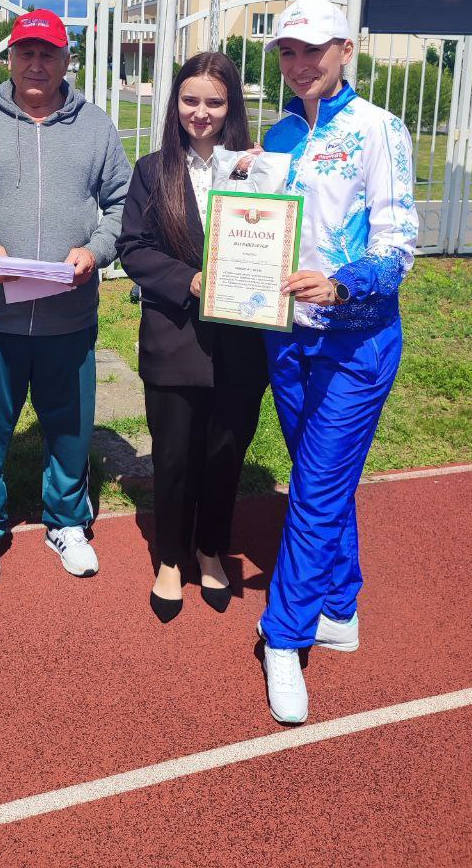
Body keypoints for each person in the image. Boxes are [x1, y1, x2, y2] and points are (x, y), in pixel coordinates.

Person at [254, 0, 418, 723]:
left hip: (356, 341)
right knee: (323, 480)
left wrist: (343, 283)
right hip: (286, 337)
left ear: (345, 51)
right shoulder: (280, 133)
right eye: (287, 52)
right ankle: (341, 607)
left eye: (312, 51)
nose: (299, 65)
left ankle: (284, 637)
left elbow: (398, 244)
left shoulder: (379, 129)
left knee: (316, 490)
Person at [0, 9, 131, 590]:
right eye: (25, 52)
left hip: (68, 313)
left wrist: (95, 252)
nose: (36, 64)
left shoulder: (95, 125)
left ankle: (67, 521)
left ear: (66, 60)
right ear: (9, 58)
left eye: (48, 53)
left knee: (70, 427)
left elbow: (123, 202)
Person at [117, 52, 268, 622]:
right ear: (175, 103)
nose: (200, 112)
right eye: (190, 100)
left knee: (225, 454)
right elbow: (133, 248)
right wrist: (190, 280)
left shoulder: (259, 169)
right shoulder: (152, 170)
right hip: (175, 338)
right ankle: (170, 557)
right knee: (175, 456)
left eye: (214, 102)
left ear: (232, 106)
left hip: (241, 342)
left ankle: (210, 550)